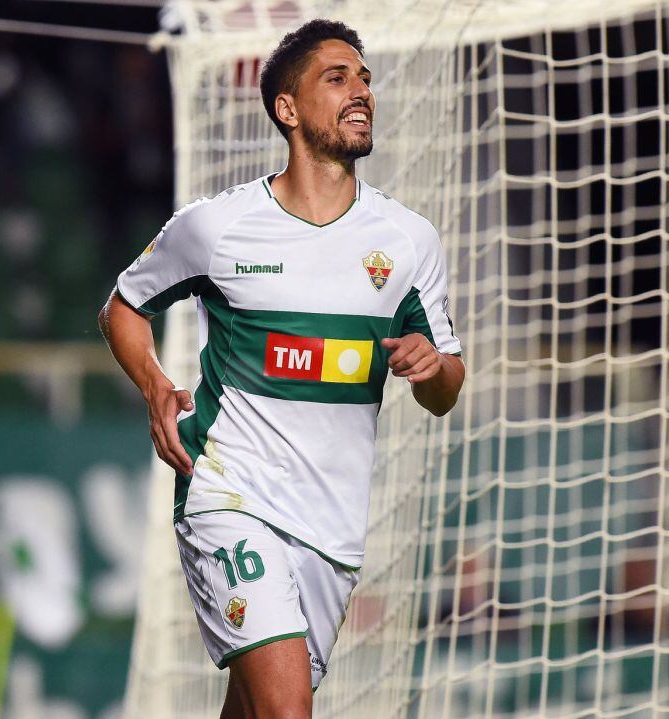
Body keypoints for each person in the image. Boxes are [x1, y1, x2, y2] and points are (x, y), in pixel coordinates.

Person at [98, 18, 465, 719]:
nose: (360, 90)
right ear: (286, 109)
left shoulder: (408, 240)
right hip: (229, 494)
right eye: (337, 77)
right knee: (288, 711)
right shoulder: (218, 225)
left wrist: (433, 368)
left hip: (332, 524)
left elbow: (447, 388)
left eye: (363, 77)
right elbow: (123, 306)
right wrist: (153, 384)